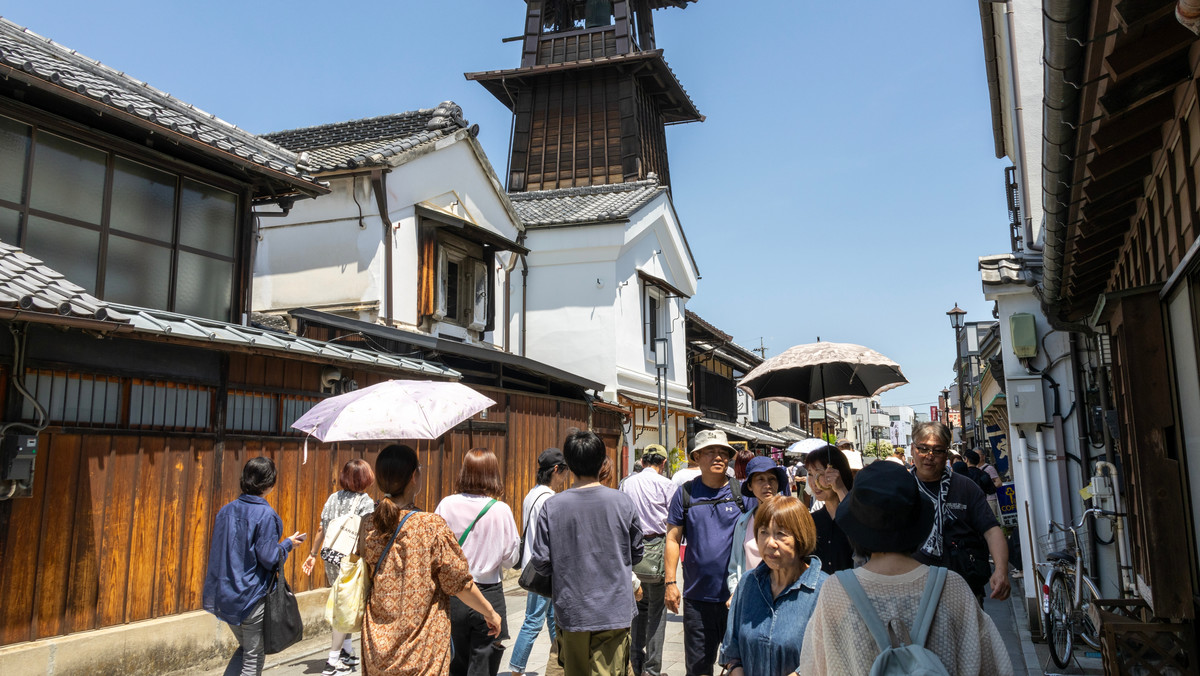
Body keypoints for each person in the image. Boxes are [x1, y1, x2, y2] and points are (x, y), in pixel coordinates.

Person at [797, 461, 1012, 675]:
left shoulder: (835, 592)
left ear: (855, 528)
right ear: (918, 522)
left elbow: (813, 668)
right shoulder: (953, 587)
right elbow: (994, 667)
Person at [359, 444, 502, 676]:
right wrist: (490, 613)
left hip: (376, 644)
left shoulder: (367, 523)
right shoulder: (430, 525)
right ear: (414, 476)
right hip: (421, 645)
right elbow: (459, 583)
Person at [529, 430, 644, 674]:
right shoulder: (623, 502)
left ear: (568, 464)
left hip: (572, 610)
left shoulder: (553, 506)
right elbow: (636, 553)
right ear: (603, 462)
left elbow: (540, 561)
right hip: (613, 609)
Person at [203, 457, 306, 676]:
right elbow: (269, 558)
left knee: (247, 649)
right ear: (269, 483)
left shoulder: (226, 510)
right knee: (253, 656)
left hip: (225, 594)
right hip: (250, 596)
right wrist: (287, 545)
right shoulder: (265, 515)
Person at [664, 429, 748, 676]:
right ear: (696, 457)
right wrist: (670, 582)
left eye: (723, 452)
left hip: (737, 597)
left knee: (741, 667)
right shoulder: (685, 494)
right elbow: (672, 538)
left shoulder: (741, 493)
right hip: (697, 599)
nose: (718, 457)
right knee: (699, 669)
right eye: (710, 452)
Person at [435, 449, 521, 676]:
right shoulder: (501, 510)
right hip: (489, 592)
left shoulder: (446, 505)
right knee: (484, 662)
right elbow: (511, 560)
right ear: (493, 474)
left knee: (454, 662)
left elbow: (435, 550)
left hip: (453, 593)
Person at [721, 495, 826, 676]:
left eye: (781, 534)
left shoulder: (824, 590)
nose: (770, 543)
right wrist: (735, 669)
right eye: (763, 532)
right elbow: (731, 648)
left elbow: (828, 655)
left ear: (801, 537)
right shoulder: (748, 583)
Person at [910, 421, 1010, 603]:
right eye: (923, 448)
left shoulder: (965, 487)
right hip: (913, 590)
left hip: (963, 587)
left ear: (946, 453)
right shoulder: (900, 487)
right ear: (912, 449)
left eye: (937, 450)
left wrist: (1001, 570)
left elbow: (991, 530)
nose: (929, 456)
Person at [302, 458, 376, 675]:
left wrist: (312, 554)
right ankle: (332, 662)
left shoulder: (333, 498)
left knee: (342, 600)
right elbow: (366, 536)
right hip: (351, 560)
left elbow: (321, 529)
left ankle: (346, 650)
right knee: (346, 605)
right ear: (365, 478)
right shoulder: (365, 501)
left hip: (331, 556)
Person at [509, 448, 570, 676]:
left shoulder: (532, 494)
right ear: (556, 470)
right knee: (533, 621)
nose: (565, 478)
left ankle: (563, 660)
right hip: (543, 568)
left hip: (533, 565)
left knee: (555, 619)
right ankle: (516, 668)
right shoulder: (550, 499)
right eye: (564, 472)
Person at [620, 444, 677, 676]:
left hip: (631, 553)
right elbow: (674, 521)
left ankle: (635, 662)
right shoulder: (667, 484)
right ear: (663, 463)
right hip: (658, 551)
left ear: (642, 462)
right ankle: (652, 669)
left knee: (637, 608)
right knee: (656, 611)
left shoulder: (626, 483)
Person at [726, 456, 789, 598]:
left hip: (784, 595)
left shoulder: (789, 518)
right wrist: (735, 593)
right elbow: (735, 567)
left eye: (772, 479)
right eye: (760, 479)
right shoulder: (744, 522)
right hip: (751, 596)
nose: (767, 485)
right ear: (750, 485)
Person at [802, 445, 855, 574]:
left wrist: (841, 489)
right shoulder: (811, 521)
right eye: (810, 474)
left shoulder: (857, 514)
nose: (814, 482)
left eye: (820, 474)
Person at [966, 448, 1003, 520]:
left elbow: (999, 482)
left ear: (983, 456)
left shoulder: (989, 468)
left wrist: (986, 487)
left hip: (990, 499)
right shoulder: (972, 469)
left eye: (978, 455)